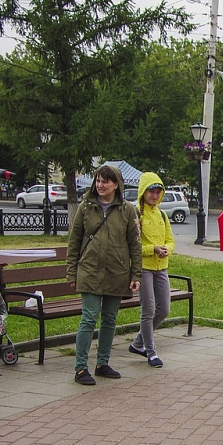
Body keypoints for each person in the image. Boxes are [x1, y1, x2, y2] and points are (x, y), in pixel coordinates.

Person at [67, 165, 142, 385]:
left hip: (116, 273)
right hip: (89, 270)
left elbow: (135, 244)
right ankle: (81, 368)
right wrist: (72, 273)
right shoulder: (85, 207)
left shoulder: (128, 210)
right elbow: (74, 241)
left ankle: (102, 363)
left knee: (109, 320)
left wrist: (135, 274)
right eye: (98, 181)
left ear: (116, 184)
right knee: (89, 318)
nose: (100, 185)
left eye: (105, 182)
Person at [127, 172, 174, 367]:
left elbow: (170, 240)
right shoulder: (136, 213)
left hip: (161, 267)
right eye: (151, 192)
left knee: (163, 309)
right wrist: (151, 249)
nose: (154, 196)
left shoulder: (162, 214)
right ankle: (151, 351)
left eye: (158, 192)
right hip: (143, 267)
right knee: (148, 309)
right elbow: (133, 245)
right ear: (143, 192)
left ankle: (138, 342)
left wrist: (166, 249)